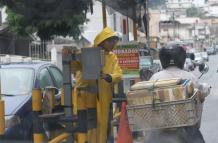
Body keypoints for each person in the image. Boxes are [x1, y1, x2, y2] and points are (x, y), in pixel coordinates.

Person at [72, 27, 122, 143]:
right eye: (110, 41)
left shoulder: (112, 57)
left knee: (104, 127)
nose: (113, 44)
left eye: (114, 41)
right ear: (102, 41)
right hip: (85, 100)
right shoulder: (88, 53)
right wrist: (72, 55)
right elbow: (73, 67)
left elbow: (118, 75)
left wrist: (108, 77)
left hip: (105, 98)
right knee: (88, 128)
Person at [148, 44, 206, 143]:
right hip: (187, 127)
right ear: (182, 59)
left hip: (160, 128)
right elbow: (202, 90)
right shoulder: (189, 77)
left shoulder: (155, 78)